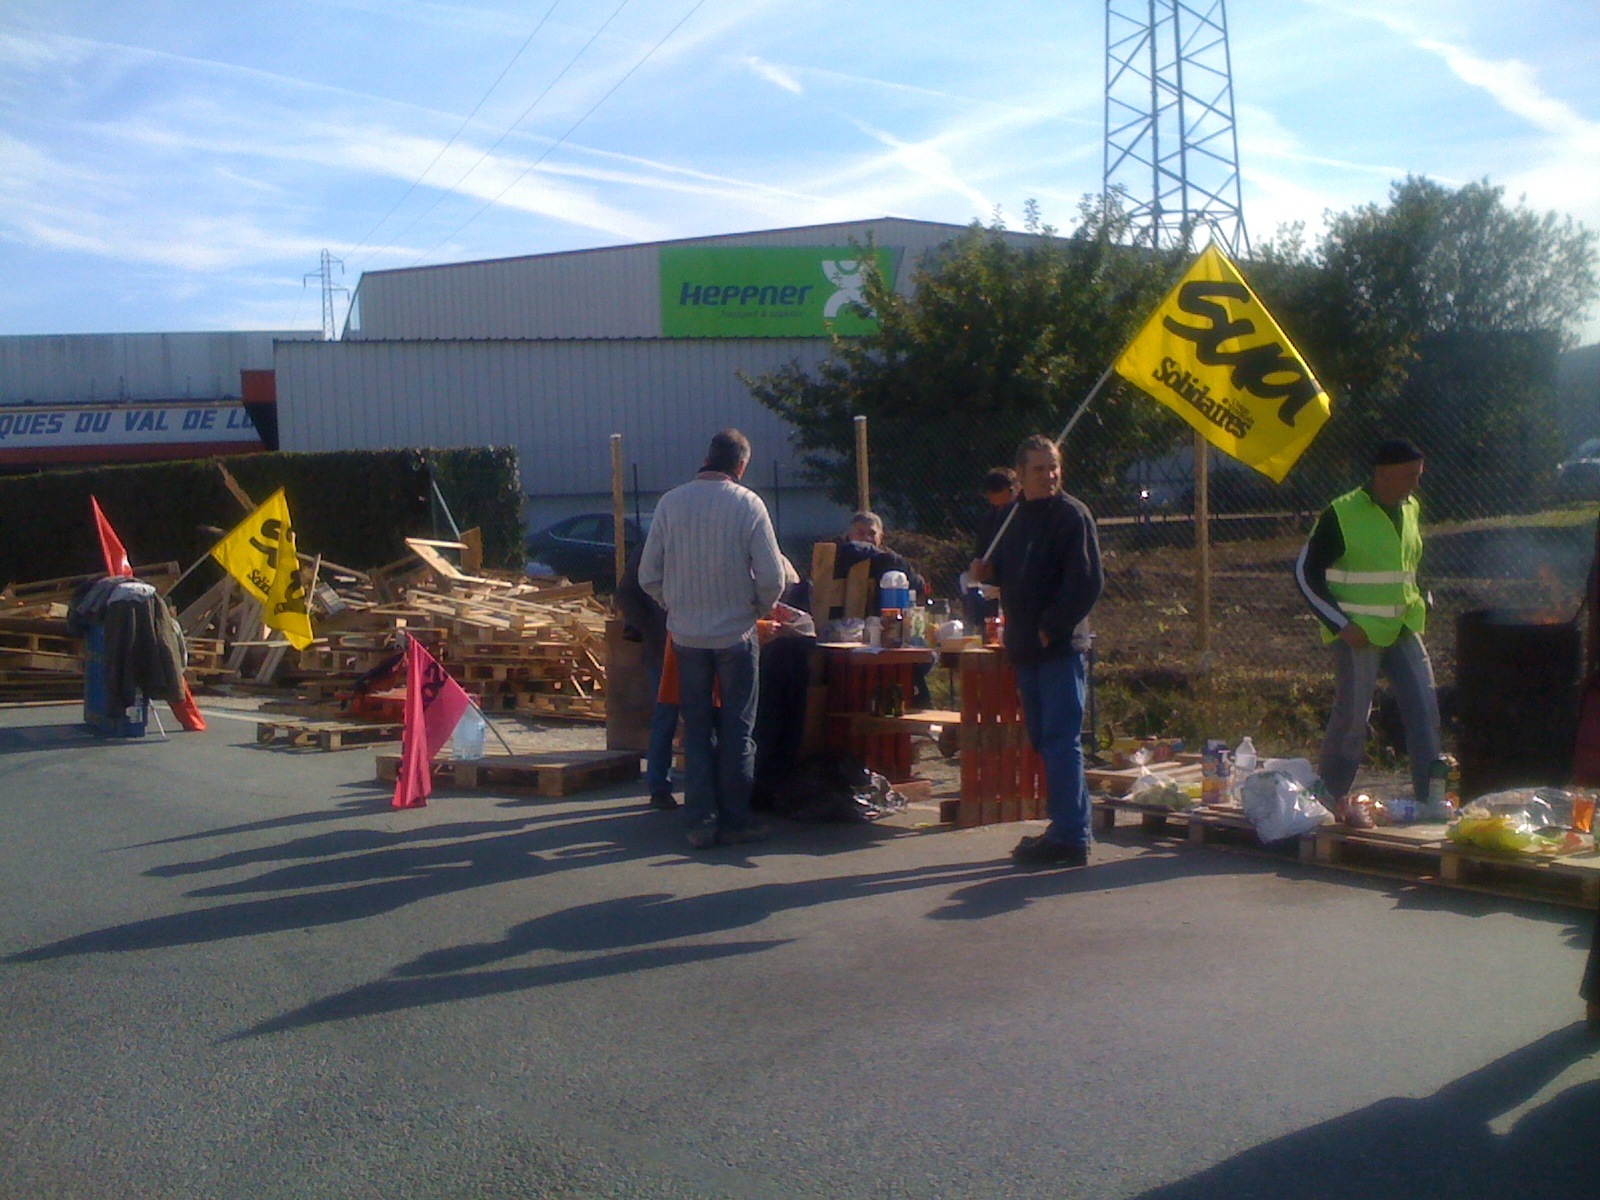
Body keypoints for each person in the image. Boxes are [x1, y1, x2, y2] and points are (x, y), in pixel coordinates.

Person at [640, 429, 786, 849]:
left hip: (686, 636)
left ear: (707, 458)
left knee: (697, 729)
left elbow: (648, 575)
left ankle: (700, 821)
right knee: (738, 730)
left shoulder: (670, 503)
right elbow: (773, 577)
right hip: (736, 634)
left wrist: (673, 604)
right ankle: (737, 820)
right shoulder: (748, 504)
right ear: (741, 465)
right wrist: (755, 609)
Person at [970, 434, 1103, 868]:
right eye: (1040, 469)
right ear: (1020, 475)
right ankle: (1069, 826)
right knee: (1045, 738)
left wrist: (1051, 627)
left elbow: (1086, 582)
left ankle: (1071, 836)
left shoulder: (1072, 515)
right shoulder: (1013, 518)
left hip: (1058, 647)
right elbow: (1007, 572)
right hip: (1024, 646)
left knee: (1062, 740)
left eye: (1054, 467)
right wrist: (987, 572)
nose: (1049, 476)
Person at [1296, 438, 1443, 828]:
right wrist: (1342, 625)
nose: (1415, 483)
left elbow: (1409, 561)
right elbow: (1305, 575)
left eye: (1419, 475)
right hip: (1358, 634)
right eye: (1409, 475)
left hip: (1402, 627)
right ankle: (1329, 800)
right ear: (1382, 474)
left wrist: (1423, 595)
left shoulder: (1410, 508)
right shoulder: (1342, 513)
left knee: (1425, 709)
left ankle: (1431, 799)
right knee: (1352, 719)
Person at [615, 541, 679, 811]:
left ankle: (704, 789)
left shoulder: (697, 539)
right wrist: (652, 629)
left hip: (696, 642)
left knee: (703, 718)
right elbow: (626, 594)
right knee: (666, 717)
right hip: (663, 649)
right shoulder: (653, 546)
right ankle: (659, 786)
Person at [967, 467, 1018, 629]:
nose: (1002, 510)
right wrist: (979, 571)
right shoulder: (989, 519)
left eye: (1006, 505)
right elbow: (980, 556)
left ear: (1015, 489)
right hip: (991, 590)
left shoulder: (1024, 516)